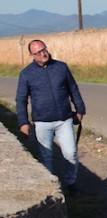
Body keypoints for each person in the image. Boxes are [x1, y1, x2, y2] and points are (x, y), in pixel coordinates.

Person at [15, 39, 86, 193]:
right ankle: (52, 190)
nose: (43, 53)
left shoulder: (61, 67)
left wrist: (80, 109)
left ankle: (71, 183)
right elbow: (21, 100)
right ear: (32, 55)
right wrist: (23, 123)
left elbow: (73, 89)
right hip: (42, 123)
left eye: (44, 49)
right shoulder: (26, 74)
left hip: (64, 119)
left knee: (71, 153)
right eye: (38, 52)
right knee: (46, 158)